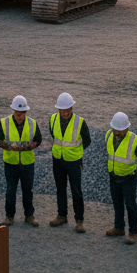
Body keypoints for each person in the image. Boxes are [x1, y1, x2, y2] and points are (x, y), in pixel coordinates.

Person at [0, 96, 41, 226]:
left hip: (27, 162)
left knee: (28, 191)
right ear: (13, 111)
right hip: (10, 163)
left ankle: (29, 215)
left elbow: (38, 139)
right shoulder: (4, 122)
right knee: (11, 190)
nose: (18, 116)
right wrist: (8, 146)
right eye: (16, 113)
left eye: (21, 114)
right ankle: (9, 217)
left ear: (25, 112)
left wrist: (34, 145)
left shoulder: (32, 123)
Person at [48, 92, 90, 232]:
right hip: (58, 160)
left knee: (76, 191)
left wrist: (75, 153)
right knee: (60, 189)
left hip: (73, 162)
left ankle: (79, 220)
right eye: (62, 110)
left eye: (67, 110)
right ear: (58, 109)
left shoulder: (80, 122)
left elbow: (87, 141)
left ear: (72, 108)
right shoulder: (53, 119)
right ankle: (62, 215)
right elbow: (54, 135)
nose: (65, 113)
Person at [104, 112, 137, 244]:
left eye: (121, 130)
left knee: (130, 205)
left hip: (129, 178)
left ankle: (133, 233)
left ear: (127, 128)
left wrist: (135, 171)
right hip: (114, 176)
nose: (118, 132)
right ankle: (119, 228)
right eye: (116, 130)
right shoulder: (108, 135)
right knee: (117, 203)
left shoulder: (136, 141)